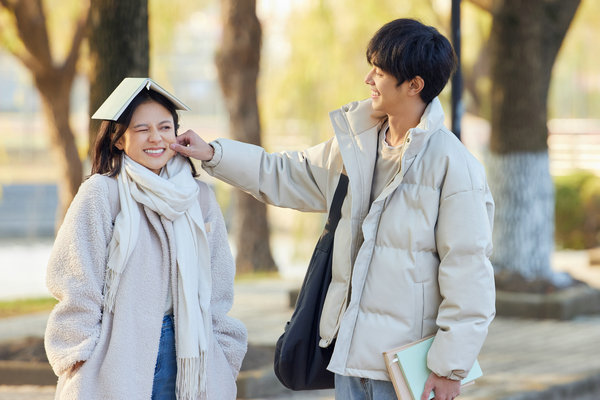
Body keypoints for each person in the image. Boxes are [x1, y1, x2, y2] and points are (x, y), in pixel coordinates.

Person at [174, 18, 495, 400]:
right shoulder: (356, 147)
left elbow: (469, 274)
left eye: (379, 71)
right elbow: (283, 173)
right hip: (347, 358)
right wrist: (213, 154)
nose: (368, 79)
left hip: (408, 368)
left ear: (414, 85)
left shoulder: (454, 166)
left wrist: (449, 367)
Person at [44, 78, 247, 400]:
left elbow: (220, 281)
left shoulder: (200, 198)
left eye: (165, 127)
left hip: (190, 349)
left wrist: (226, 350)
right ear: (120, 140)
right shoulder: (101, 193)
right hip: (117, 349)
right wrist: (77, 353)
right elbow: (74, 278)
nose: (156, 138)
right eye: (142, 129)